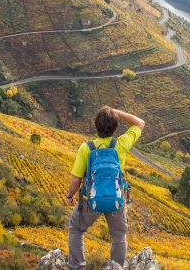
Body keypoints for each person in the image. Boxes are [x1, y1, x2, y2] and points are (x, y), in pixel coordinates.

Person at [66, 106, 145, 270]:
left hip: (90, 200)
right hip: (117, 199)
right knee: (119, 236)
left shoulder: (86, 148)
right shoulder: (121, 144)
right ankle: (115, 267)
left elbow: (76, 179)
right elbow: (140, 123)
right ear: (115, 127)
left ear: (96, 125)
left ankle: (77, 266)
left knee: (76, 229)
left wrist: (70, 195)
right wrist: (117, 112)